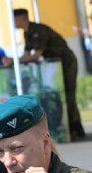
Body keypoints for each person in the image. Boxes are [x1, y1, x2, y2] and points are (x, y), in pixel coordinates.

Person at [13, 9, 86, 140]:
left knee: (68, 96)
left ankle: (74, 128)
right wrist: (16, 60)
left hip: (66, 62)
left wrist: (14, 61)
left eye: (14, 19)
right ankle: (73, 128)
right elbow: (26, 54)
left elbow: (36, 55)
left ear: (21, 18)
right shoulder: (27, 32)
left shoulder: (38, 30)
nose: (13, 22)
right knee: (62, 96)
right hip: (56, 65)